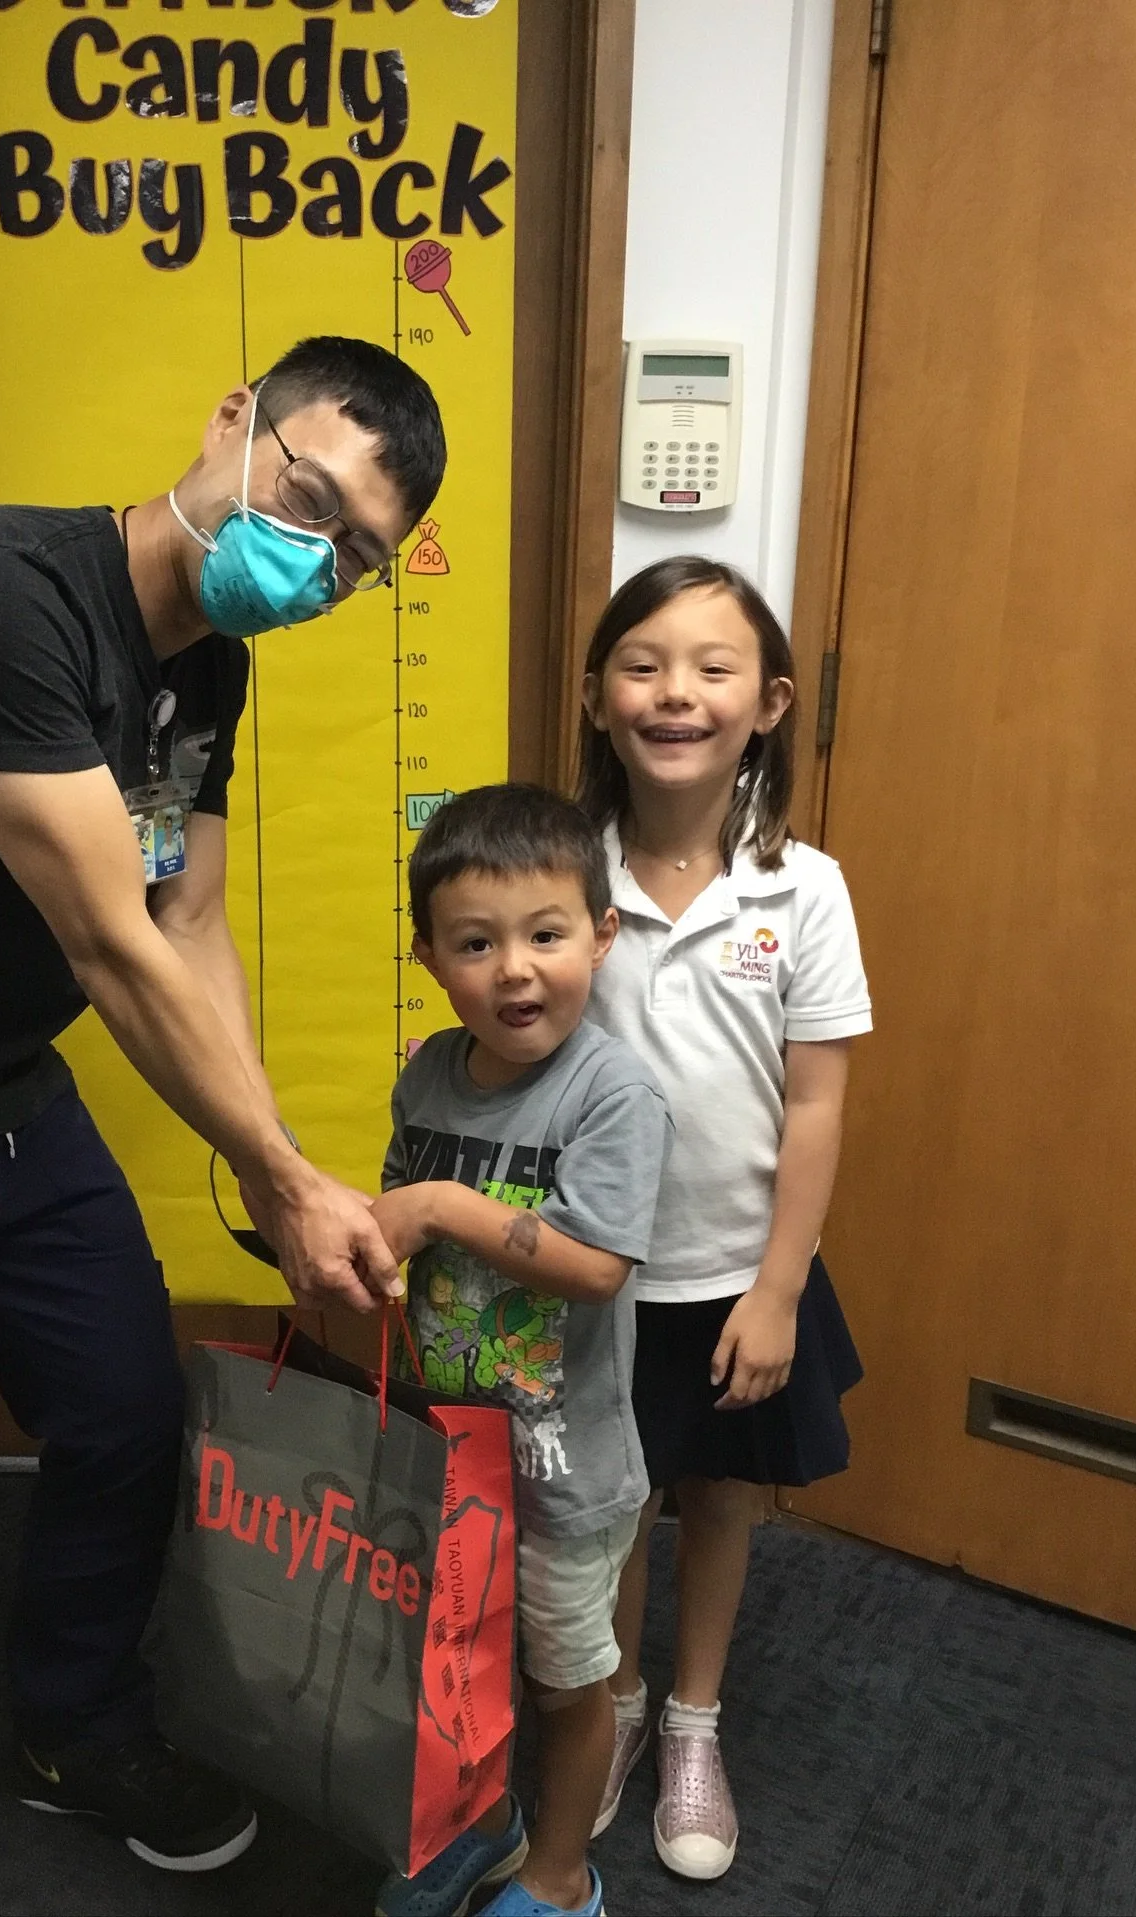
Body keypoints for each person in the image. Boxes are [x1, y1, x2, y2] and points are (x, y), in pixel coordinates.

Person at [0, 337, 444, 1917]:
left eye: (355, 555)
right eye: (306, 496)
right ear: (230, 424)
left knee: (131, 1415)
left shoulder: (213, 661)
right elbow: (111, 946)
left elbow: (188, 915)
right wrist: (286, 1174)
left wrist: (267, 1167)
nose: (314, 556)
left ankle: (71, 1725)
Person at [576, 556, 871, 1880]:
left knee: (721, 1492)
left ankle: (695, 1718)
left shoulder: (803, 890)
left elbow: (814, 1107)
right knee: (610, 1502)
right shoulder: (562, 872)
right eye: (643, 664)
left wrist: (779, 1289)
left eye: (713, 667)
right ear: (596, 699)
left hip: (737, 1273)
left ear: (770, 702)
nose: (676, 692)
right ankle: (617, 1708)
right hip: (594, 1276)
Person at [369, 784, 673, 1917]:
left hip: (565, 1475)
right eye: (476, 943)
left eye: (547, 935)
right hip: (449, 1449)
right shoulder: (430, 1074)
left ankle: (560, 1873)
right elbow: (408, 1219)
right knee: (460, 1663)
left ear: (600, 934)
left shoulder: (613, 1094)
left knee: (567, 1681)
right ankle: (476, 1825)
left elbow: (596, 1265)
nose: (515, 971)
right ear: (430, 956)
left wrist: (442, 1207)